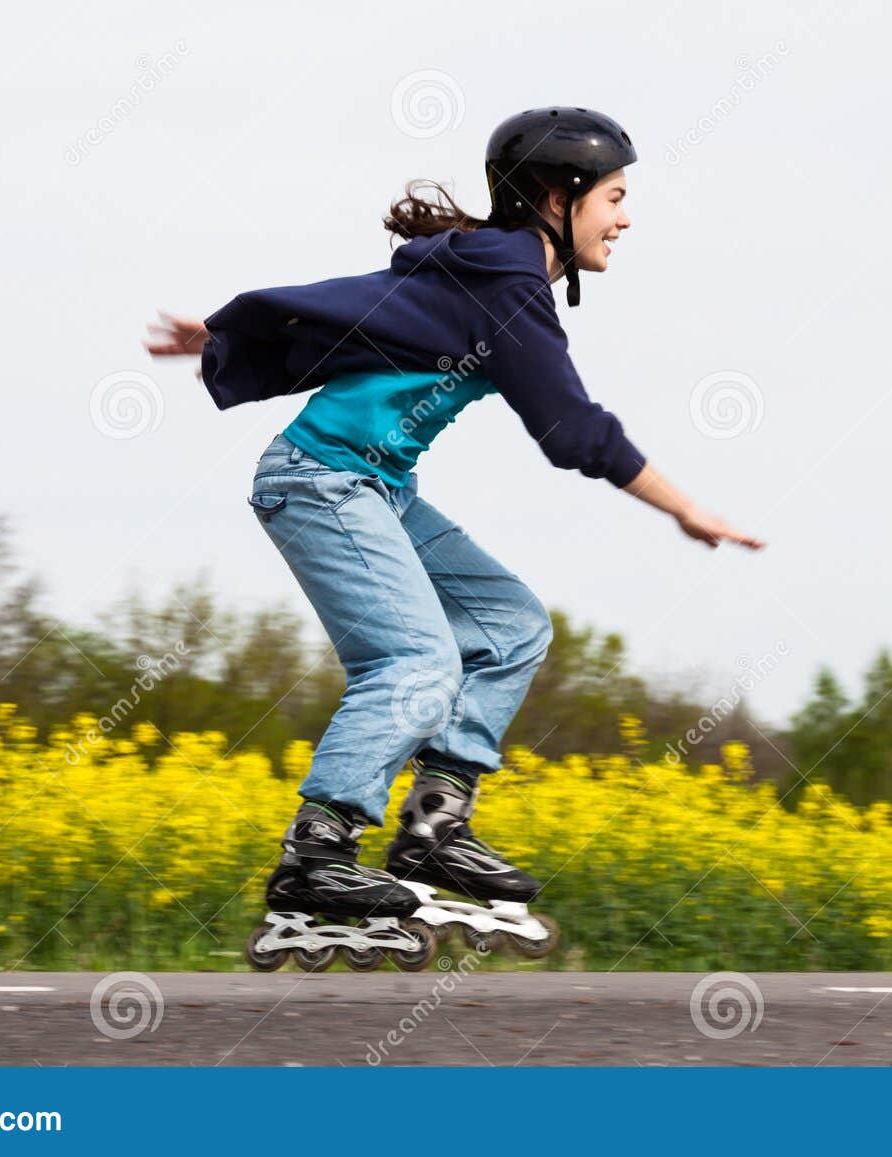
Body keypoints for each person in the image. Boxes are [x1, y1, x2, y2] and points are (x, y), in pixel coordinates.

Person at [145, 106, 765, 963]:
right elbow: (571, 429)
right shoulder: (505, 283)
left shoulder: (488, 271)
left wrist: (229, 331)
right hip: (322, 482)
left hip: (375, 487)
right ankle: (316, 853)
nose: (625, 217)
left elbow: (358, 310)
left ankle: (436, 824)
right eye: (616, 197)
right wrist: (685, 506)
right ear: (561, 195)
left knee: (510, 623)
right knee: (415, 662)